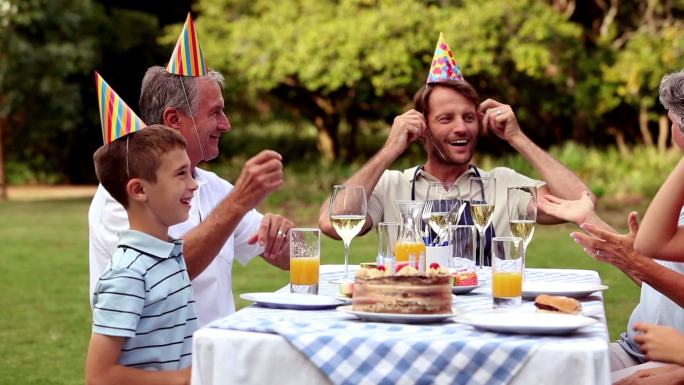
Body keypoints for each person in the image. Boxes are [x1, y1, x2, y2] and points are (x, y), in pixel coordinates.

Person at [89, 67, 292, 327]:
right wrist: (238, 202)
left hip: (214, 354)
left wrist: (282, 237)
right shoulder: (121, 195)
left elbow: (287, 257)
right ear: (173, 118)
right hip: (155, 363)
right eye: (215, 112)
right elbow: (164, 275)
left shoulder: (212, 185)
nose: (226, 124)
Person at [318, 78, 594, 263]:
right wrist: (390, 149)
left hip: (488, 325)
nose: (461, 127)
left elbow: (581, 202)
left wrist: (517, 137)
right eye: (446, 118)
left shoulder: (503, 184)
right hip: (412, 319)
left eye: (469, 117)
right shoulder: (391, 184)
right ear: (423, 128)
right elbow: (331, 224)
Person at [540, 70, 684, 373]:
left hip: (671, 361)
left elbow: (649, 246)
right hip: (636, 349)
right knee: (540, 369)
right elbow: (659, 283)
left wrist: (635, 258)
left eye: (673, 123)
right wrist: (590, 221)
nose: (673, 135)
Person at [86, 125, 198, 385]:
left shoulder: (169, 255)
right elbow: (99, 376)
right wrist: (183, 379)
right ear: (138, 190)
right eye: (181, 174)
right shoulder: (129, 273)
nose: (193, 184)